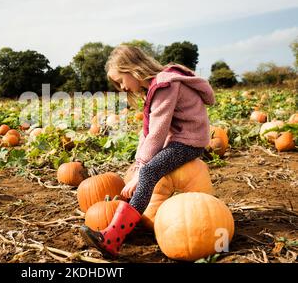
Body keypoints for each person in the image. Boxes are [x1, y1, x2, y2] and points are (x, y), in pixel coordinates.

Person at [80, 45, 216, 258]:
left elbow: (157, 134)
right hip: (179, 139)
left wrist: (142, 170)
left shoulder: (165, 86)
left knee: (150, 172)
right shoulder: (156, 87)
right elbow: (147, 132)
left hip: (190, 141)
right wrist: (138, 162)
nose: (121, 87)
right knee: (144, 170)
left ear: (132, 69)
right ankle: (121, 226)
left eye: (121, 80)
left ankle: (113, 238)